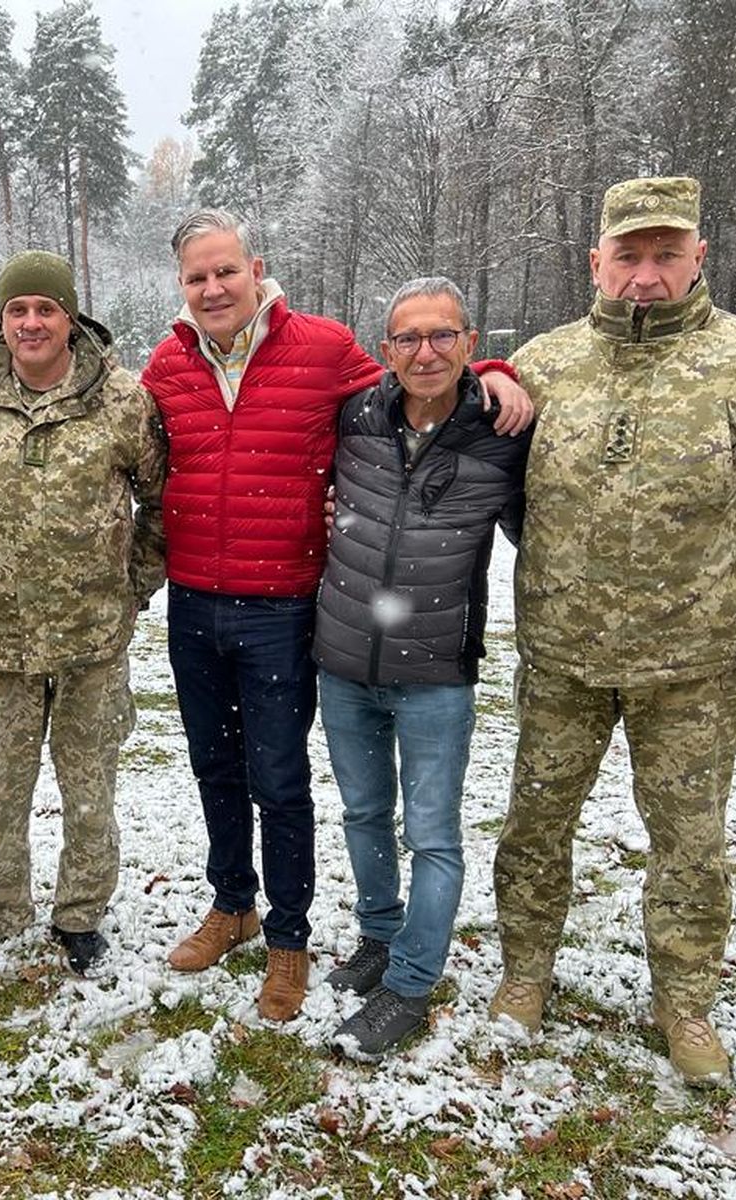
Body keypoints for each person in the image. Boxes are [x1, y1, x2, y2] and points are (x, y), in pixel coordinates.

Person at [490, 176, 736, 1086]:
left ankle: (684, 1004)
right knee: (535, 827)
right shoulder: (544, 363)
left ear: (698, 259)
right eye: (629, 256)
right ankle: (525, 974)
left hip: (690, 664)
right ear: (596, 262)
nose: (646, 276)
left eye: (666, 256)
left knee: (689, 844)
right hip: (563, 657)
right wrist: (489, 375)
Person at [140, 209, 531, 1021]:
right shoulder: (167, 364)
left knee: (280, 781)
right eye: (196, 277)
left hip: (282, 606)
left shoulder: (320, 350)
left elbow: (421, 379)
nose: (213, 289)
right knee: (215, 769)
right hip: (193, 602)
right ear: (182, 286)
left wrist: (491, 367)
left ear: (256, 269)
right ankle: (233, 904)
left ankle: (288, 939)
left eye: (225, 271)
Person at [0, 250, 165, 975]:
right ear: (3, 321)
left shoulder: (121, 400)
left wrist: (134, 584)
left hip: (93, 637)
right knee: (2, 790)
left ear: (70, 318)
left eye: (45, 309)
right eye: (17, 309)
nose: (31, 322)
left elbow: (160, 497)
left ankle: (81, 914)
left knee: (89, 788)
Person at [314, 276, 531, 1058]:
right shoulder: (355, 418)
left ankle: (409, 983)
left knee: (432, 834)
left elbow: (538, 535)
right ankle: (377, 937)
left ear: (471, 344)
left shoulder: (504, 434)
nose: (426, 351)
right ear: (386, 352)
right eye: (408, 338)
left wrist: (505, 377)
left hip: (437, 672)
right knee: (363, 815)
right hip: (343, 663)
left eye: (444, 335)